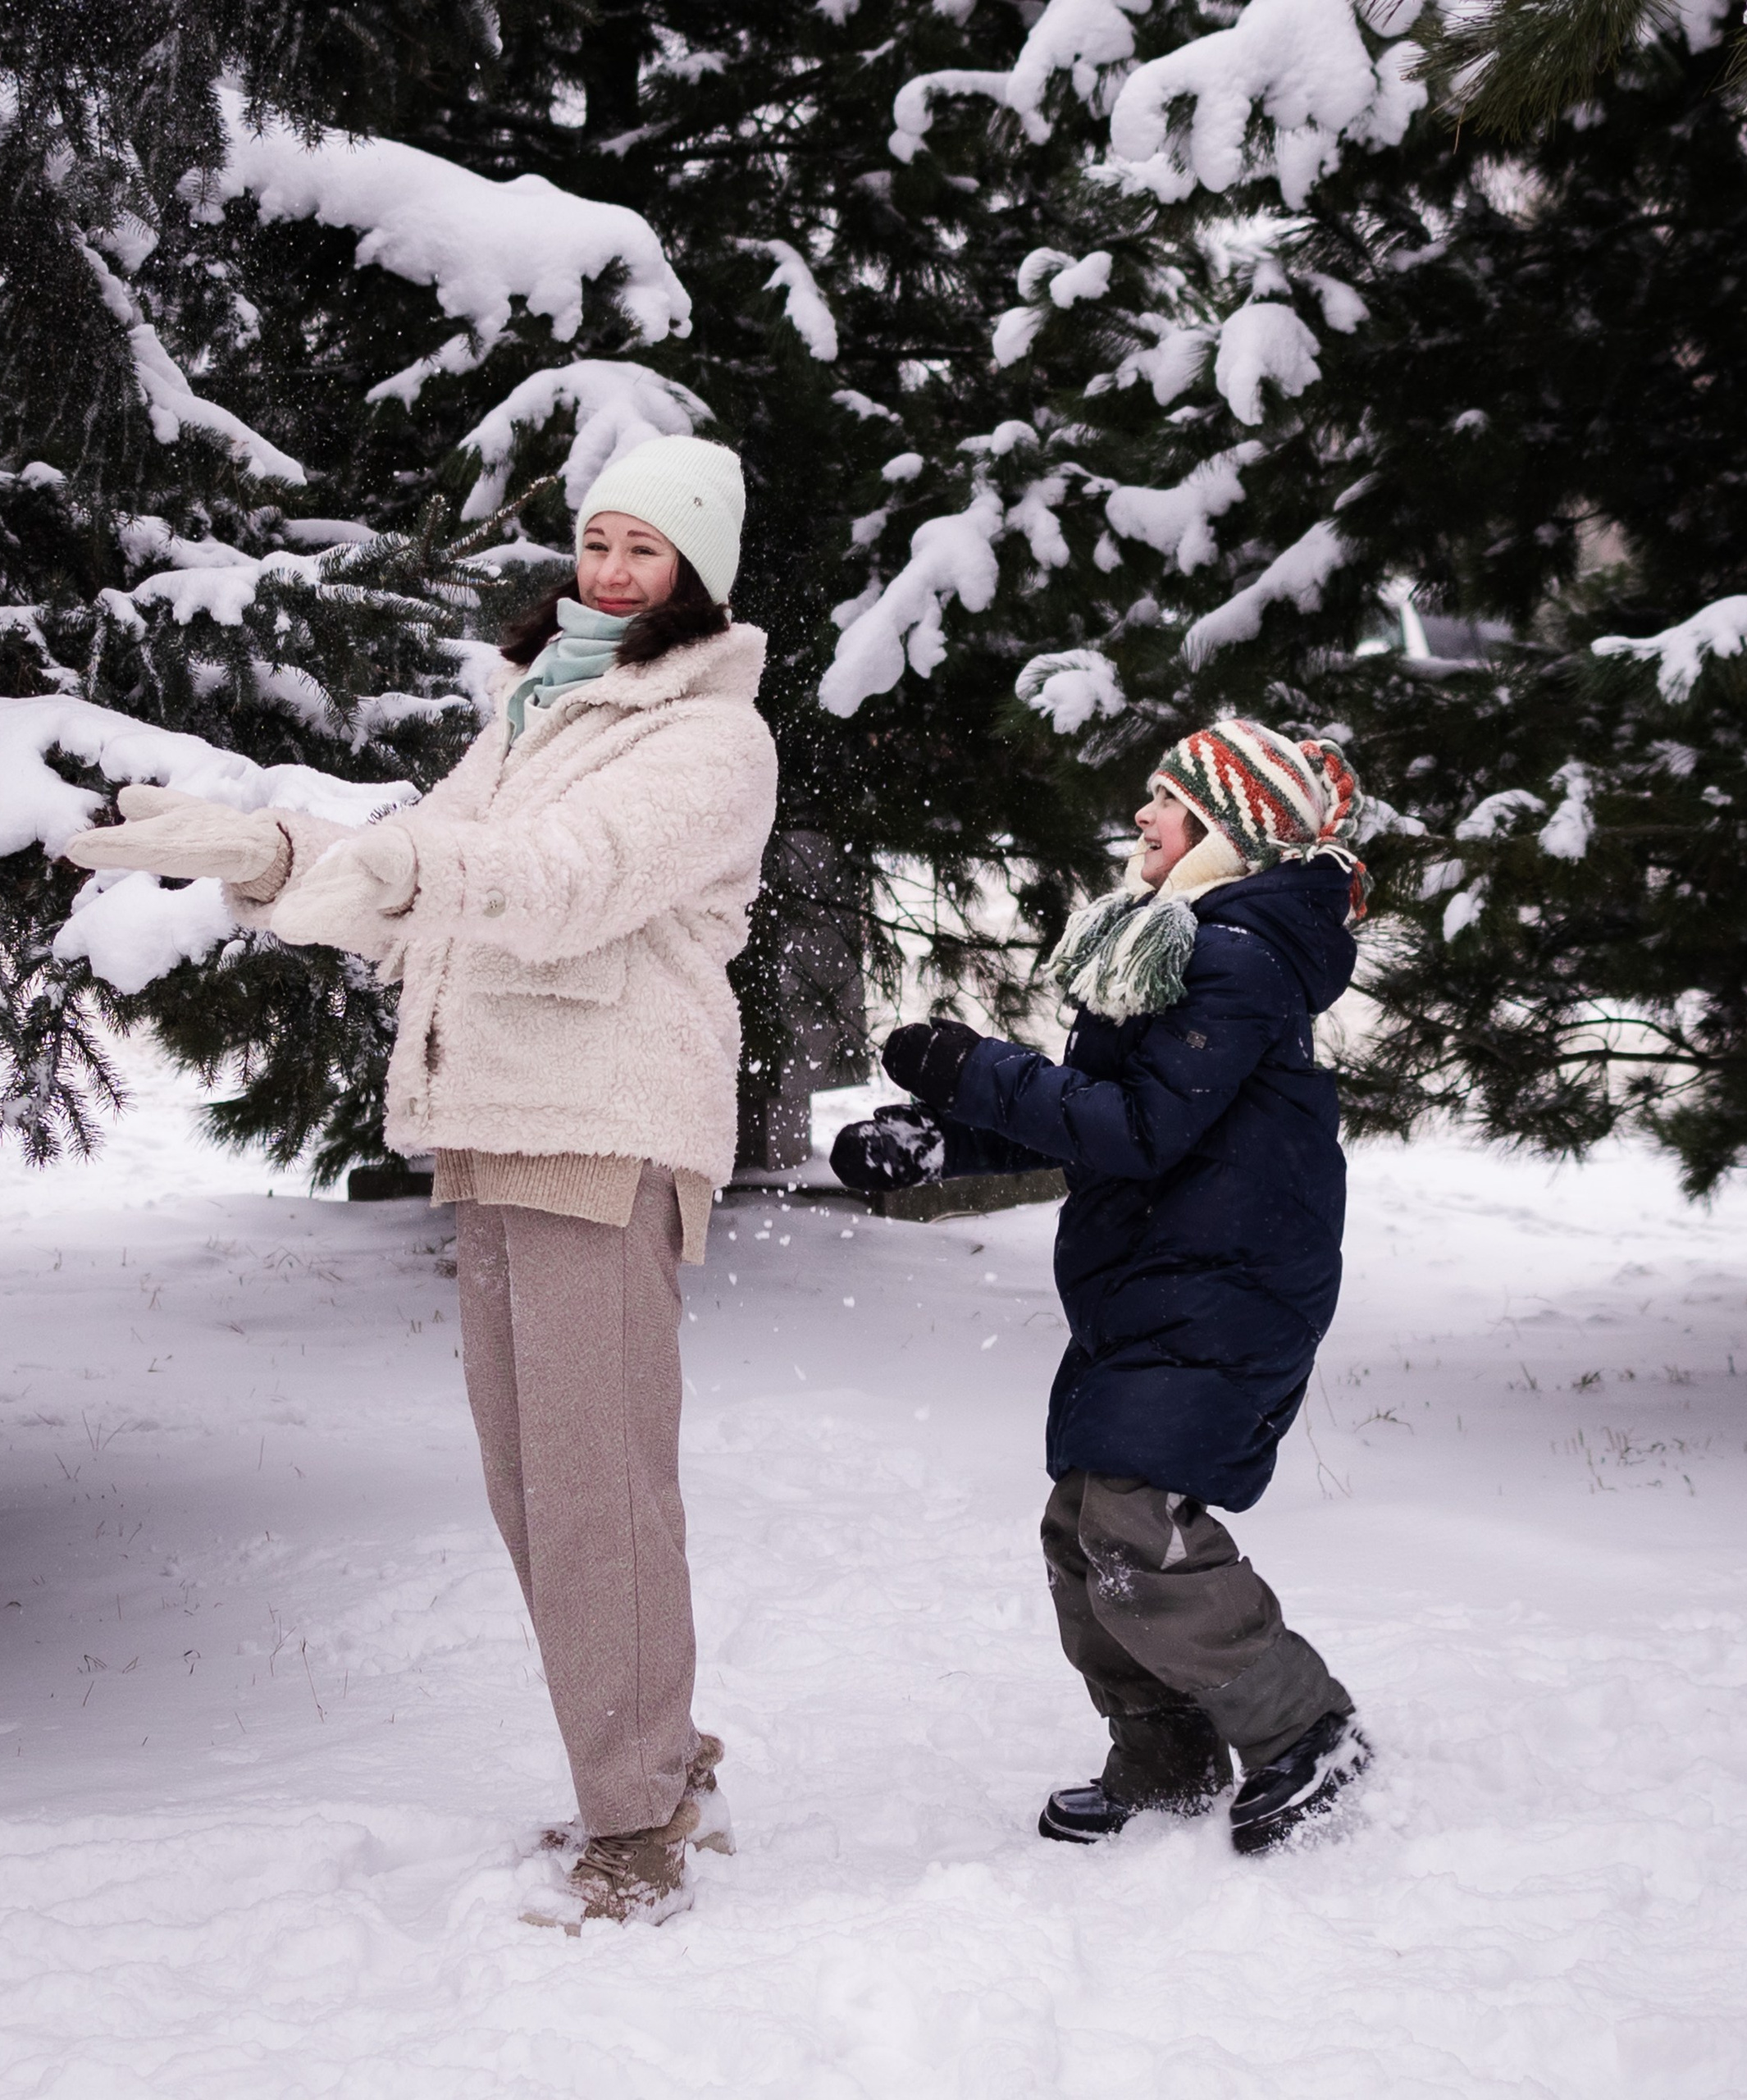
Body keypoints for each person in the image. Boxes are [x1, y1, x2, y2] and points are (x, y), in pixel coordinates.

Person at [65, 435, 778, 1928]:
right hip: (502, 1114)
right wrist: (266, 850)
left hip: (604, 1118)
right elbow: (432, 870)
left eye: (645, 551)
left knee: (597, 1490)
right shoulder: (538, 707)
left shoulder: (710, 741)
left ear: (697, 575)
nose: (607, 572)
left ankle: (640, 1818)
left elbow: (564, 876)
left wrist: (402, 872)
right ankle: (652, 1751)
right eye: (596, 540)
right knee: (539, 1489)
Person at [834, 719, 1374, 1853]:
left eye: (1168, 802)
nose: (1143, 817)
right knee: (1084, 1529)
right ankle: (1163, 1755)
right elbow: (1098, 1123)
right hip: (1152, 1284)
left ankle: (1306, 1729)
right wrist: (946, 1141)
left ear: (1231, 828)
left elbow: (1135, 1128)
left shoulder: (1241, 958)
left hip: (1231, 1284)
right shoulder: (1172, 941)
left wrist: (978, 1066)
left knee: (1137, 1524)